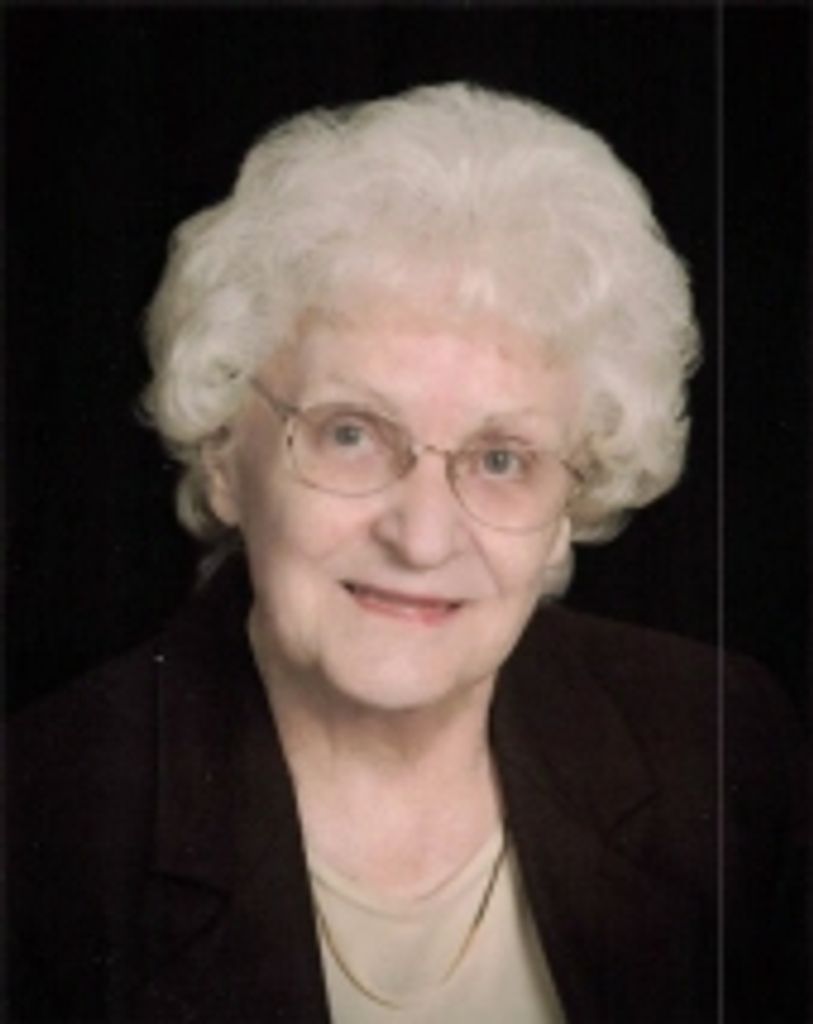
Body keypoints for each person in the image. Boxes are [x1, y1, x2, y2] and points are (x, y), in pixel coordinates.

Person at [8, 82, 807, 1024]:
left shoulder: (718, 745)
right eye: (350, 433)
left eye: (501, 458)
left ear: (571, 502)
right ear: (223, 453)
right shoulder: (40, 828)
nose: (422, 537)